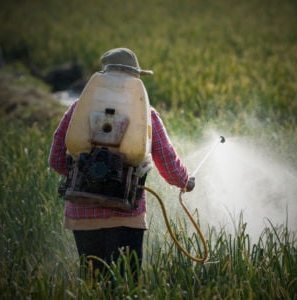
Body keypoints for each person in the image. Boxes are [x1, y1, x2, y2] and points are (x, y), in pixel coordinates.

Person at [48, 48, 195, 281]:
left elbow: (56, 159)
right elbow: (168, 163)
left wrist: (86, 175)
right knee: (126, 286)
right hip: (126, 214)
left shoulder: (78, 109)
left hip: (81, 215)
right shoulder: (147, 115)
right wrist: (186, 182)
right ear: (135, 79)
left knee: (93, 285)